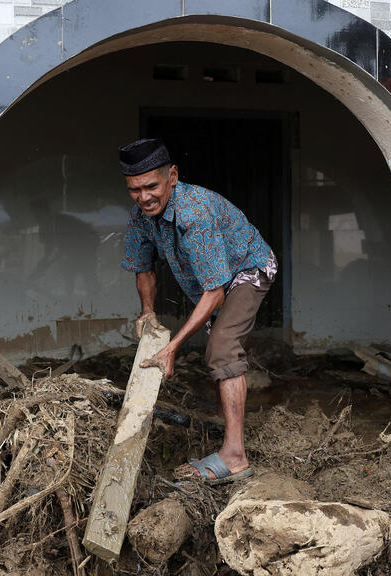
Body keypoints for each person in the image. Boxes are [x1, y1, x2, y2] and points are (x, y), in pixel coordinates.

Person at [118, 138, 277, 484]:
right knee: (220, 350)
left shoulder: (195, 212)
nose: (144, 197)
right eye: (134, 190)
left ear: (172, 176)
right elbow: (143, 267)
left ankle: (235, 456)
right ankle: (225, 423)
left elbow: (215, 292)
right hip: (213, 283)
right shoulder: (141, 217)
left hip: (247, 269)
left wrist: (172, 347)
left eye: (151, 186)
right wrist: (147, 311)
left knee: (221, 346)